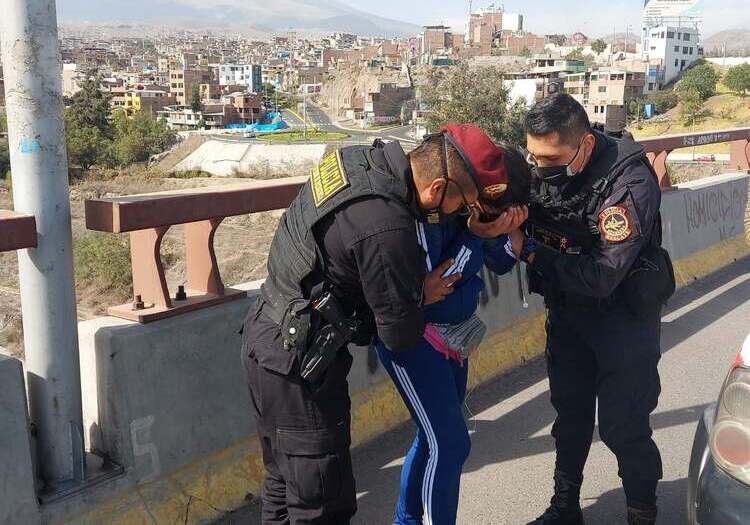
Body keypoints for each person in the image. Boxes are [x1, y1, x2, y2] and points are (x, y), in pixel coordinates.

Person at [241, 124, 527, 524]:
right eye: (461, 203)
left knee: (283, 484)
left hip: (267, 332)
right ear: (439, 187)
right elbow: (400, 332)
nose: (460, 214)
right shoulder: (387, 224)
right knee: (321, 500)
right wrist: (418, 296)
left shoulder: (360, 160)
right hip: (296, 363)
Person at [515, 94, 675, 525]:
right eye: (533, 156)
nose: (539, 168)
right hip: (568, 317)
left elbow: (604, 274)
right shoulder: (538, 165)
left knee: (625, 425)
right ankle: (564, 507)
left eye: (550, 159)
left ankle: (641, 510)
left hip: (623, 322)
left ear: (585, 145)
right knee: (570, 418)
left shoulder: (630, 181)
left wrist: (532, 254)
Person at [374, 126, 531, 525]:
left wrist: (505, 230)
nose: (475, 207)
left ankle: (406, 520)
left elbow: (502, 263)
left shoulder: (469, 212)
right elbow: (440, 282)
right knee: (450, 442)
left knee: (434, 439)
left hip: (454, 338)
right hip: (416, 337)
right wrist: (477, 237)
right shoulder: (429, 209)